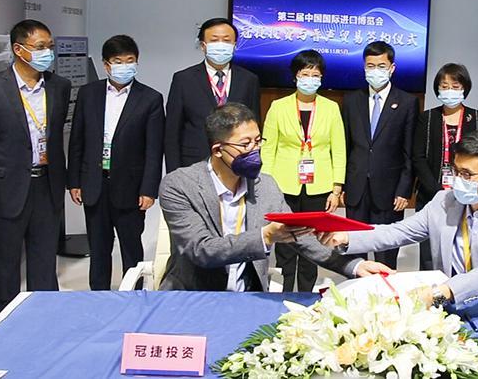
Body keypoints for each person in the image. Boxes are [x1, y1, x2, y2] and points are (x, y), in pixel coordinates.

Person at [158, 103, 389, 291]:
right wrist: (265, 236)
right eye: (245, 144)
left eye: (258, 141)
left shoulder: (265, 185)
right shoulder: (179, 185)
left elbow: (301, 236)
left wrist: (354, 265)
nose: (255, 150)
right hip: (192, 294)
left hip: (249, 294)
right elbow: (201, 249)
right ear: (218, 150)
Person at [318, 130, 478, 307]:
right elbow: (399, 231)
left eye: (467, 174)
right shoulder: (445, 201)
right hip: (449, 303)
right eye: (456, 171)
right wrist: (346, 237)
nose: (458, 180)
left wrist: (444, 292)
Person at [0, 19, 71, 317]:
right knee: (4, 259)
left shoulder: (60, 86)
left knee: (44, 257)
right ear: (19, 49)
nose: (47, 53)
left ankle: (45, 315)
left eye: (50, 47)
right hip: (4, 187)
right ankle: (3, 318)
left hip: (47, 183)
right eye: (40, 47)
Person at [68, 35, 165, 290]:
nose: (124, 66)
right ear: (106, 64)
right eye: (117, 61)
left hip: (131, 187)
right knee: (98, 248)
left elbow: (154, 150)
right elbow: (77, 140)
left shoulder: (150, 98)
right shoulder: (89, 94)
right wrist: (74, 181)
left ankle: (134, 296)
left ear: (137, 62)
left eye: (129, 60)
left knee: (131, 247)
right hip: (94, 183)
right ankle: (99, 297)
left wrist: (149, 189)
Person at [261, 50, 346, 291]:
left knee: (313, 241)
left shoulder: (331, 108)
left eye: (315, 75)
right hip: (283, 185)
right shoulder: (278, 107)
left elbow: (339, 149)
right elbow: (268, 149)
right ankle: (283, 292)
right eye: (305, 74)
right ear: (295, 77)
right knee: (285, 244)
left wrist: (336, 189)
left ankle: (307, 295)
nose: (310, 79)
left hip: (319, 186)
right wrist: (266, 186)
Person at [341, 41, 418, 268]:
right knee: (355, 253)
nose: (375, 71)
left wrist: (404, 190)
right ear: (364, 67)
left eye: (381, 66)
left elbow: (409, 150)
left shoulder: (407, 102)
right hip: (356, 189)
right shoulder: (351, 100)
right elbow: (346, 146)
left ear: (392, 68)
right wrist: (342, 185)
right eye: (370, 66)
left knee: (386, 255)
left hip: (389, 191)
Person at [413, 63, 478, 271]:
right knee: (429, 254)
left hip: (468, 195)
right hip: (431, 194)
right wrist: (436, 190)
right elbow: (418, 157)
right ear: (437, 89)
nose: (449, 91)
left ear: (465, 88)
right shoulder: (427, 118)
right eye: (444, 86)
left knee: (463, 251)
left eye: (455, 86)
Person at [164, 18, 261, 171]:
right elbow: (172, 132)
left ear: (235, 45)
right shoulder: (183, 79)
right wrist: (174, 172)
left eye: (226, 40)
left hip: (236, 163)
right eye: (214, 40)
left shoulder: (249, 79)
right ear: (203, 45)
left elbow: (254, 126)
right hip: (193, 162)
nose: (221, 45)